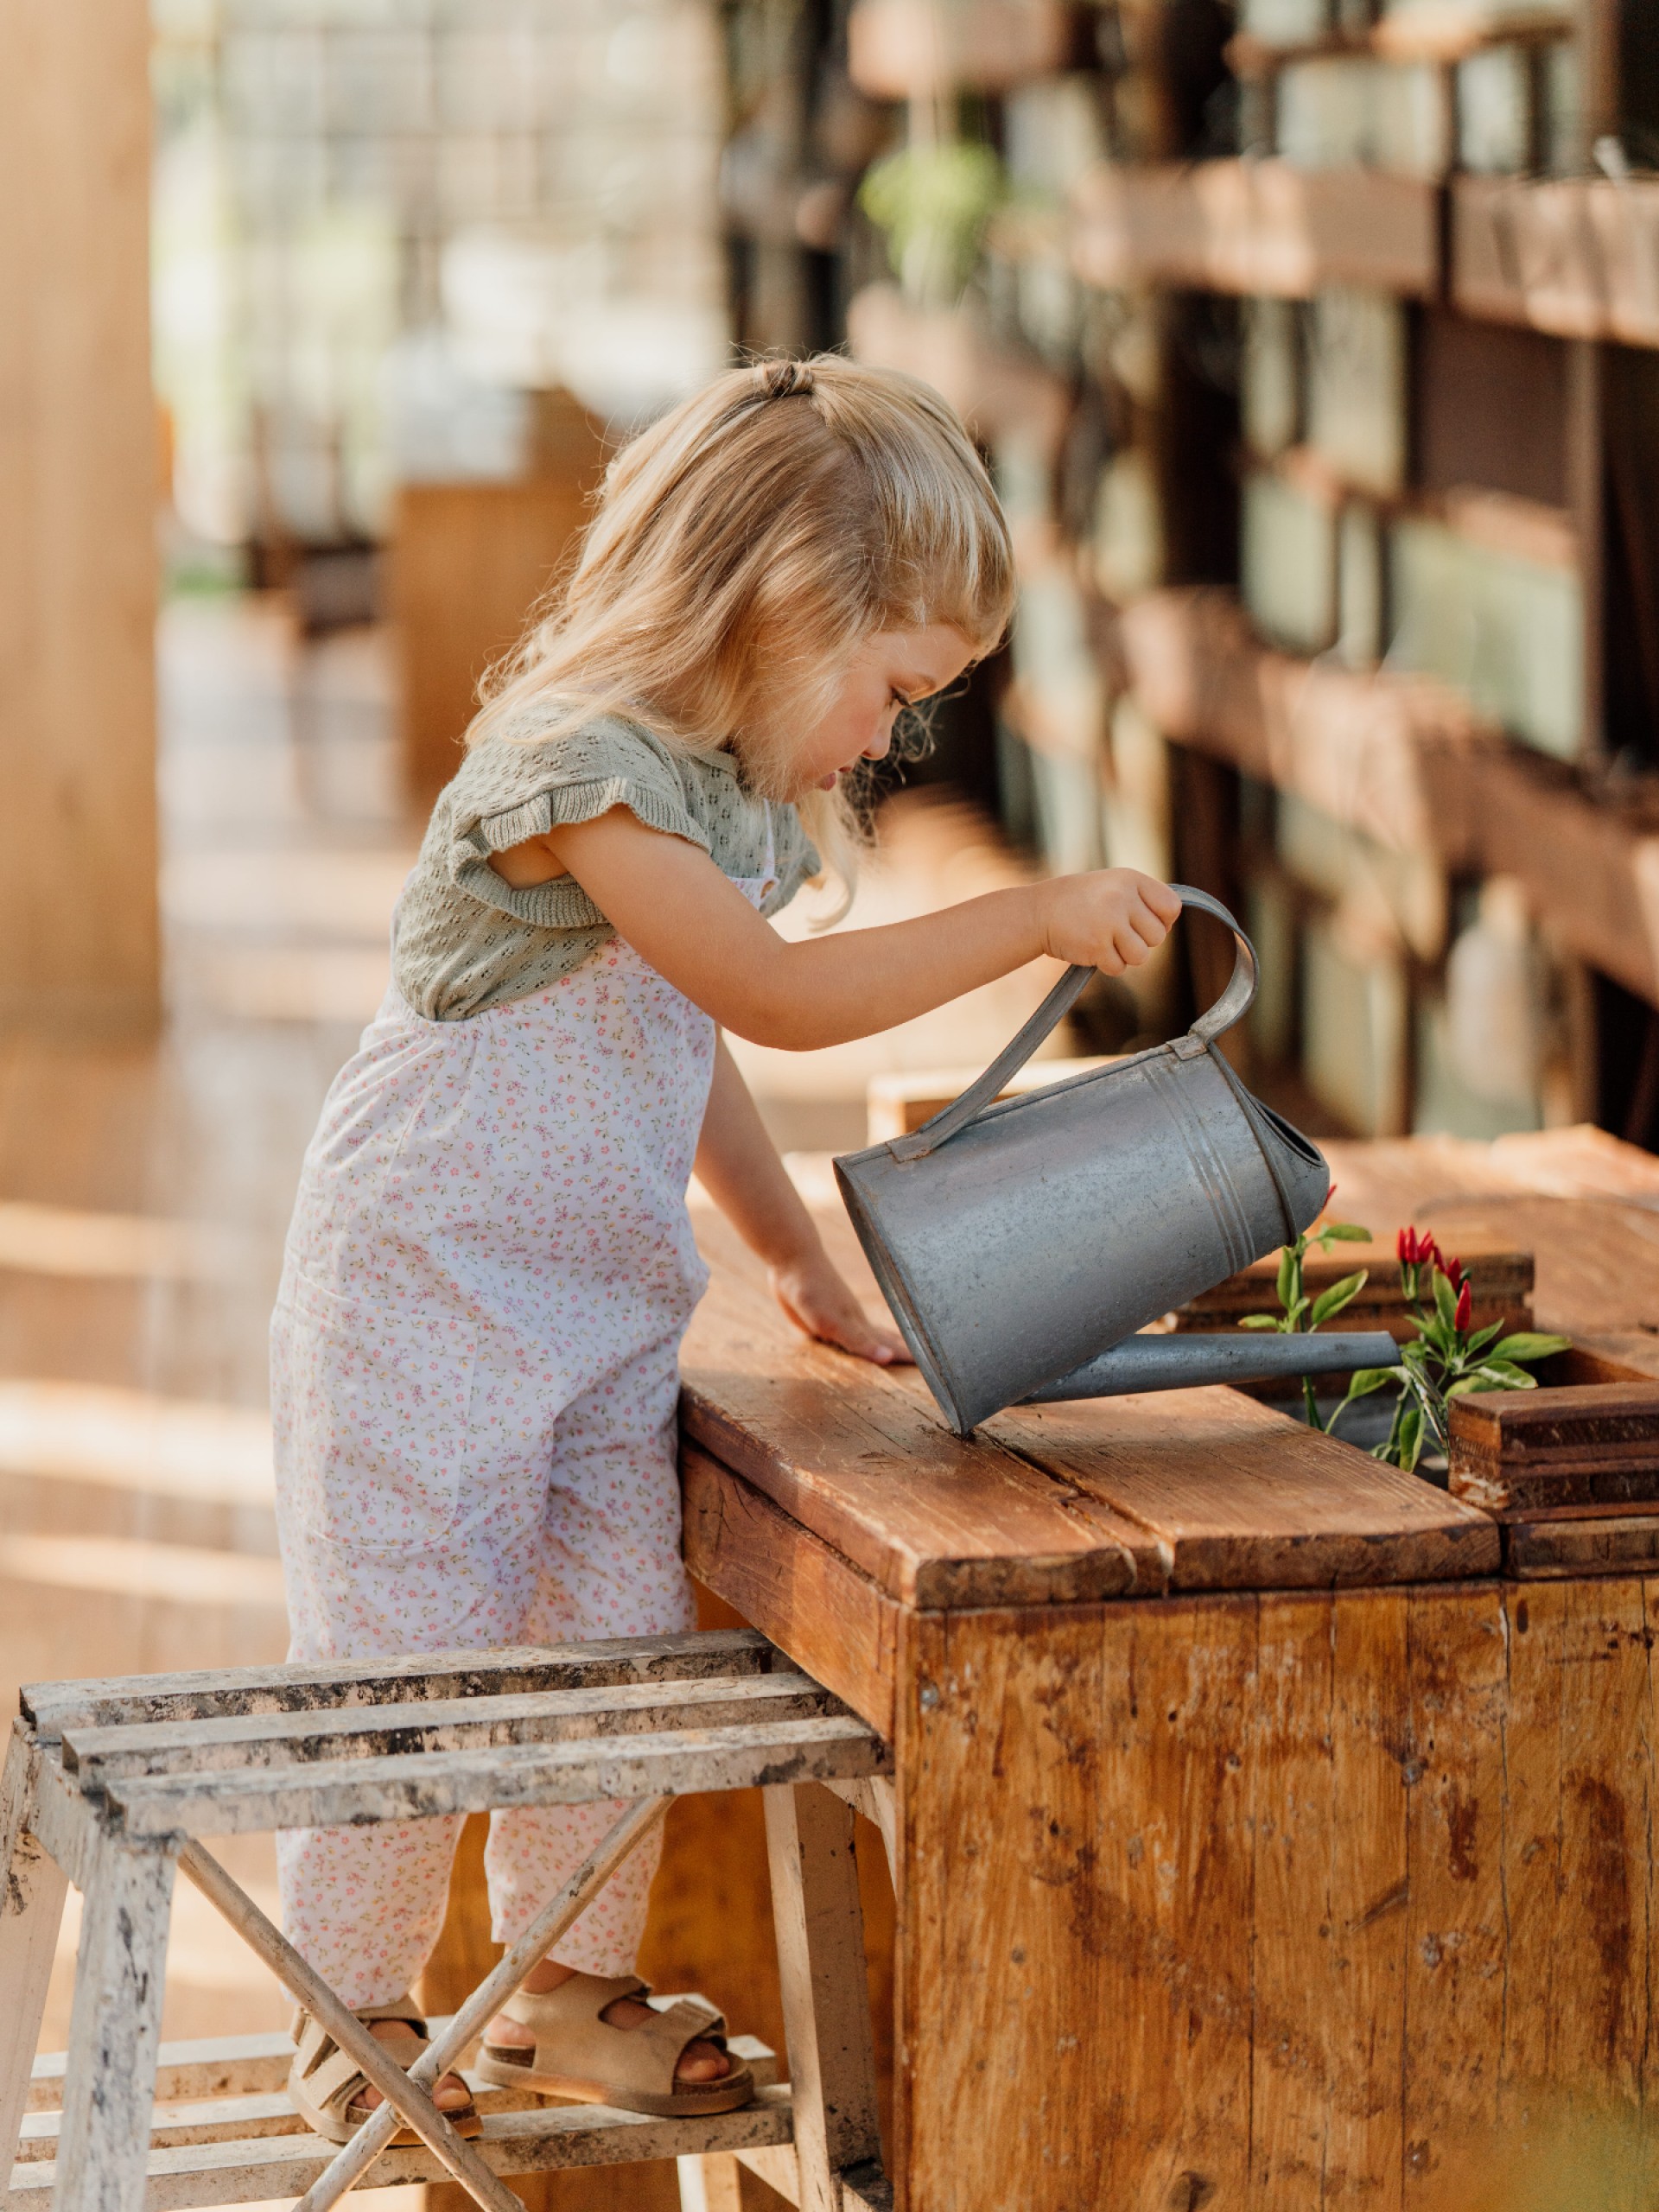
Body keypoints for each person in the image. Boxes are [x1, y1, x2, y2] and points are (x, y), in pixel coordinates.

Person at [274, 353, 1179, 2139]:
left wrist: (794, 1255)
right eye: (891, 686)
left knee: (620, 1654)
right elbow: (772, 991)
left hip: (600, 1303)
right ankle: (343, 1992)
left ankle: (560, 1984)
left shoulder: (722, 799)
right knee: (410, 1661)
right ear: (782, 604)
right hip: (421, 1290)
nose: (883, 741)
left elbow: (684, 1045)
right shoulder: (575, 769)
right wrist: (1032, 917)